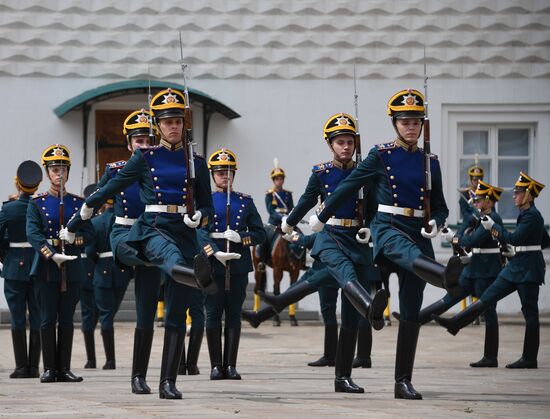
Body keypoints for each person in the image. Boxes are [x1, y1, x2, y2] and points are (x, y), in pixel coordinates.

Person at [309, 90, 455, 399]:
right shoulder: (381, 154)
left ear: (422, 124)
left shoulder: (430, 162)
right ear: (395, 123)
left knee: (412, 310)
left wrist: (436, 222)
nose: (410, 127)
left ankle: (403, 381)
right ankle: (444, 276)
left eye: (415, 121)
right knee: (404, 254)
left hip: (418, 230)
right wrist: (323, 213)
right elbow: (350, 184)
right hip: (388, 227)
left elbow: (441, 206)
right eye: (404, 122)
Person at [73, 90, 216, 399]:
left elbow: (208, 207)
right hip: (152, 229)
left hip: (185, 231)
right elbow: (114, 185)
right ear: (157, 125)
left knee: (177, 312)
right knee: (147, 309)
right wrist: (86, 208)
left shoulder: (197, 162)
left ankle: (168, 382)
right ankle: (138, 376)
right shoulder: (145, 157)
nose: (174, 126)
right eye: (167, 122)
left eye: (178, 120)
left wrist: (200, 216)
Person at [434, 172, 548, 369]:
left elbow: (514, 239)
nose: (514, 196)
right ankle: (457, 323)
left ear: (528, 195)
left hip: (528, 269)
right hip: (516, 266)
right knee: (488, 297)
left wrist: (494, 227)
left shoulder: (532, 216)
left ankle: (529, 358)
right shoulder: (527, 215)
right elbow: (544, 240)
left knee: (530, 314)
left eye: (518, 192)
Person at [417, 180, 504, 367]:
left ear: (489, 201)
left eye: (479, 200)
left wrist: (453, 238)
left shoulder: (492, 219)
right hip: (474, 270)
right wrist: (456, 236)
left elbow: (473, 240)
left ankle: (490, 357)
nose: (475, 203)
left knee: (489, 313)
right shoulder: (483, 218)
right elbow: (469, 235)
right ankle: (416, 319)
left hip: (486, 272)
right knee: (449, 297)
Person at [27, 144, 94, 383]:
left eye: (63, 169)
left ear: (68, 172)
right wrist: (50, 253)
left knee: (67, 319)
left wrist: (77, 237)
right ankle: (48, 368)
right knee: (47, 319)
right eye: (54, 169)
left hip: (72, 265)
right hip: (46, 267)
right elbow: (33, 233)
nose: (59, 173)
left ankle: (63, 368)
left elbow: (91, 234)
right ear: (47, 173)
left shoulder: (78, 204)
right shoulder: (37, 203)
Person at [198, 148, 265, 380]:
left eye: (228, 172)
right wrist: (214, 252)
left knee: (234, 315)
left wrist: (242, 237)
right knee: (213, 314)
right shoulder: (205, 202)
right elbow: (199, 233)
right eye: (220, 173)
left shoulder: (245, 202)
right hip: (213, 265)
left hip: (237, 265)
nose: (225, 176)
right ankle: (216, 365)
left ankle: (231, 365)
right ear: (212, 175)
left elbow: (260, 233)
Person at [0, 160, 43, 378]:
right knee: (36, 315)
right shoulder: (41, 206)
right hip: (38, 265)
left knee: (17, 317)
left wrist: (6, 258)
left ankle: (20, 367)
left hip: (14, 267)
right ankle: (34, 367)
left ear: (17, 183)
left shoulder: (8, 209)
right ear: (37, 185)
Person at [86, 200, 132, 370]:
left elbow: (90, 251)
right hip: (122, 270)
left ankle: (110, 360)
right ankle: (110, 359)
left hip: (102, 271)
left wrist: (99, 260)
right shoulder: (124, 221)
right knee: (110, 313)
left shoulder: (95, 222)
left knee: (105, 315)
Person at [80, 183, 99, 369]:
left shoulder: (84, 219)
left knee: (89, 315)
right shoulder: (89, 220)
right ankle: (91, 358)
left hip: (89, 270)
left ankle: (91, 358)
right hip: (91, 270)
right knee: (90, 315)